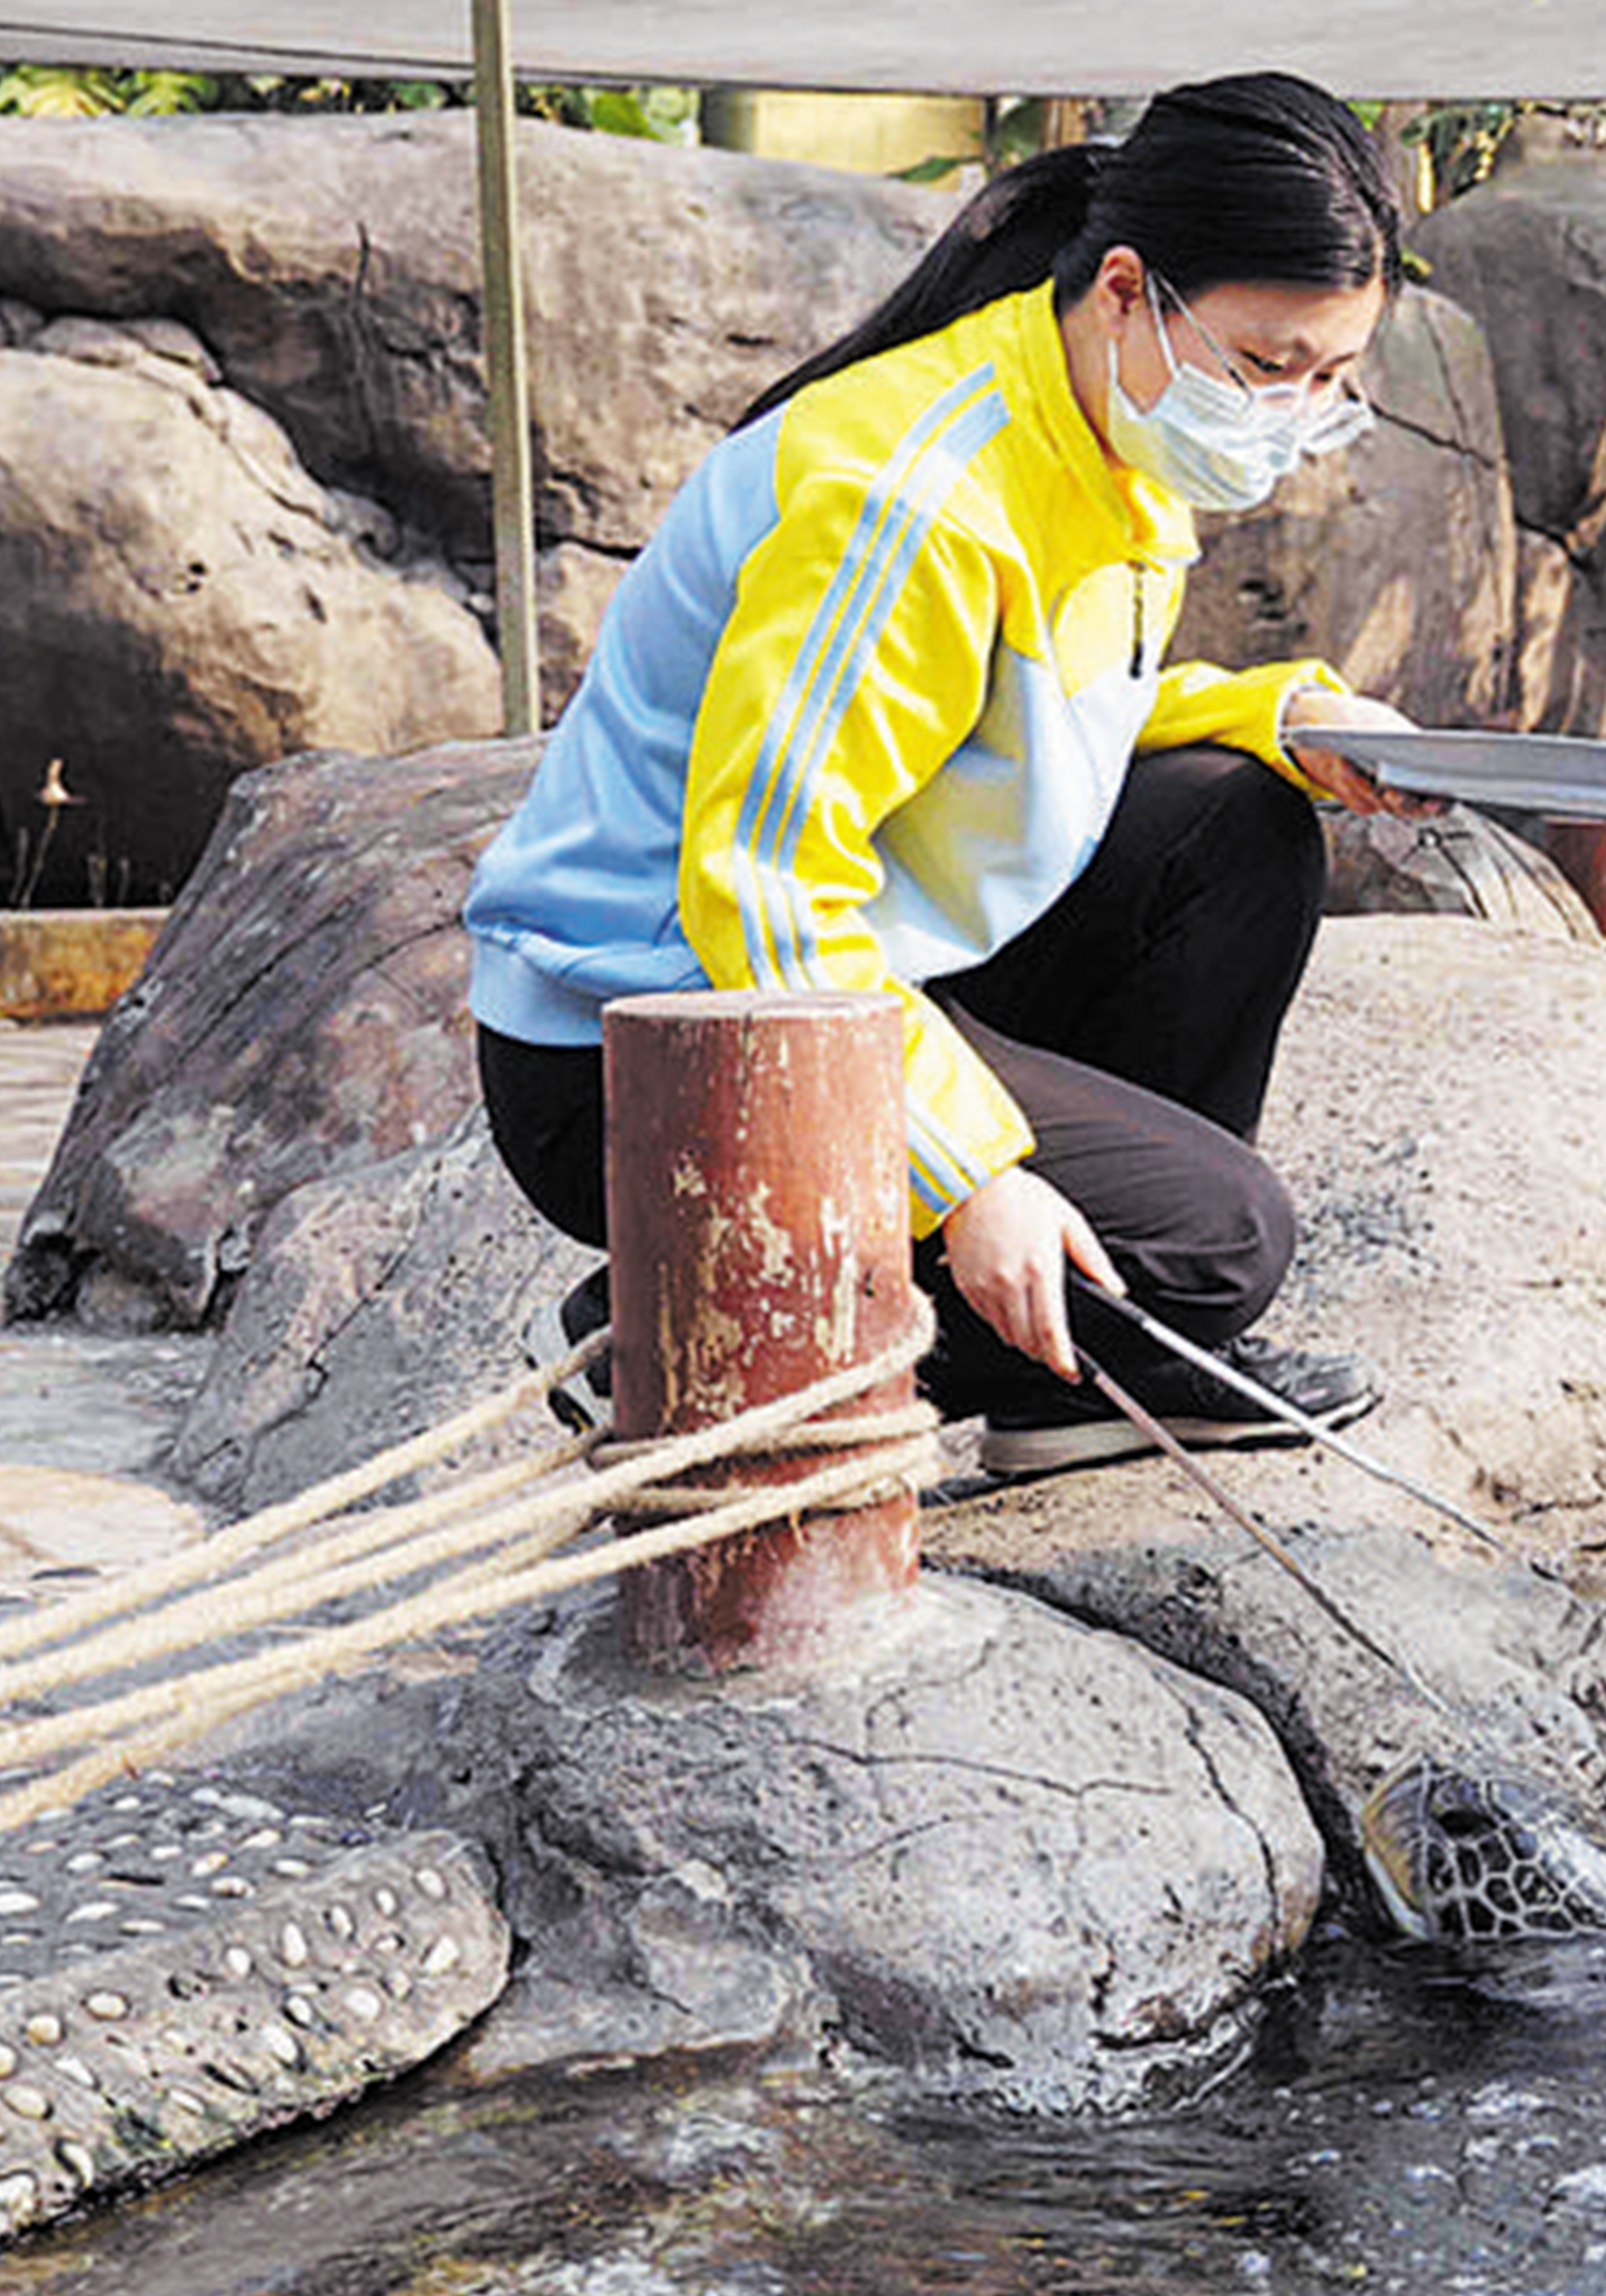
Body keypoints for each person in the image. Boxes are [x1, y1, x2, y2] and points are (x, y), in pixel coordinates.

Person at [463, 72, 1428, 1477]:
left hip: (848, 966)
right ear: (1124, 289)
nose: (1289, 416)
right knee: (1222, 1241)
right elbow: (762, 885)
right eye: (1270, 366)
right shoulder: (910, 495)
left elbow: (1029, 720)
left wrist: (1279, 715)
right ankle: (695, 1320)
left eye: (1331, 381)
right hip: (644, 1047)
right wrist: (965, 1173)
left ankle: (1087, 1363)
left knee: (1236, 816)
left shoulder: (1105, 438)